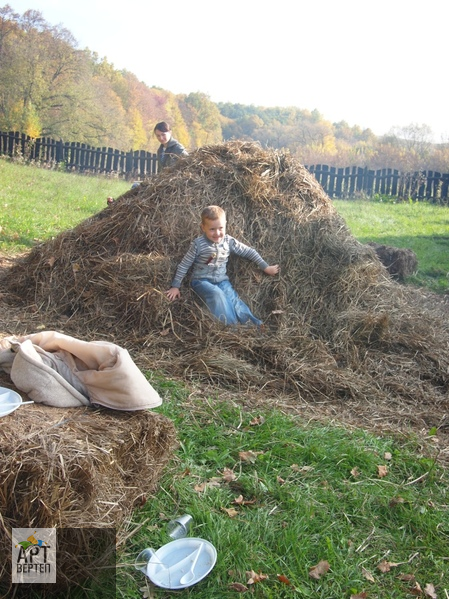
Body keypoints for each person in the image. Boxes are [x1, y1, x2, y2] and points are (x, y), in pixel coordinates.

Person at [165, 205, 280, 326]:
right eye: (212, 229)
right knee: (217, 295)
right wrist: (175, 285)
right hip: (201, 281)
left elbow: (249, 251)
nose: (217, 233)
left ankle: (254, 325)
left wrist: (265, 267)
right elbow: (184, 265)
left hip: (222, 281)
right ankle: (232, 329)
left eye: (221, 228)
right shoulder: (198, 245)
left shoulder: (228, 241)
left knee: (233, 299)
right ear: (203, 227)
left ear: (225, 224)